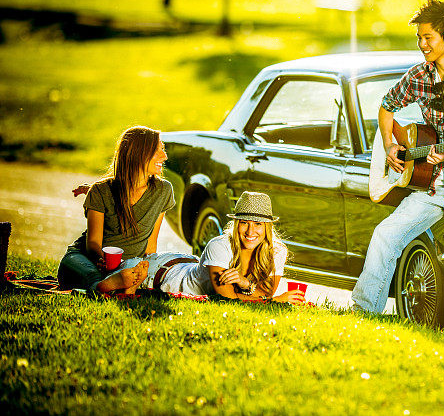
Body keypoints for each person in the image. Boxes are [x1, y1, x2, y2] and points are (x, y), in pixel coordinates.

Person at [351, 0, 444, 339]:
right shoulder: (419, 75)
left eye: (428, 37)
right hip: (432, 187)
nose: (422, 44)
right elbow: (386, 107)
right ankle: (362, 315)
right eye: (419, 37)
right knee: (386, 236)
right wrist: (391, 145)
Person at [96, 191, 305, 303]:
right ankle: (114, 279)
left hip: (189, 263)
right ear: (236, 224)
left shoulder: (277, 251)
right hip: (162, 273)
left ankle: (122, 282)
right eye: (244, 223)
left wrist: (243, 282)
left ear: (267, 227)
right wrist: (273, 301)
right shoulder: (220, 245)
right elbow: (227, 298)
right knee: (97, 280)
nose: (250, 231)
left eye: (257, 224)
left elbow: (264, 292)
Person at [57, 126, 174, 293]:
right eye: (158, 150)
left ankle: (115, 283)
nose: (165, 156)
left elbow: (150, 243)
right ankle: (105, 285)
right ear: (138, 154)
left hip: (128, 267)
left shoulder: (163, 190)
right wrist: (101, 260)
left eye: (163, 149)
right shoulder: (101, 190)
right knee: (91, 274)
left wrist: (142, 269)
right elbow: (93, 243)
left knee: (126, 275)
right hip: (84, 259)